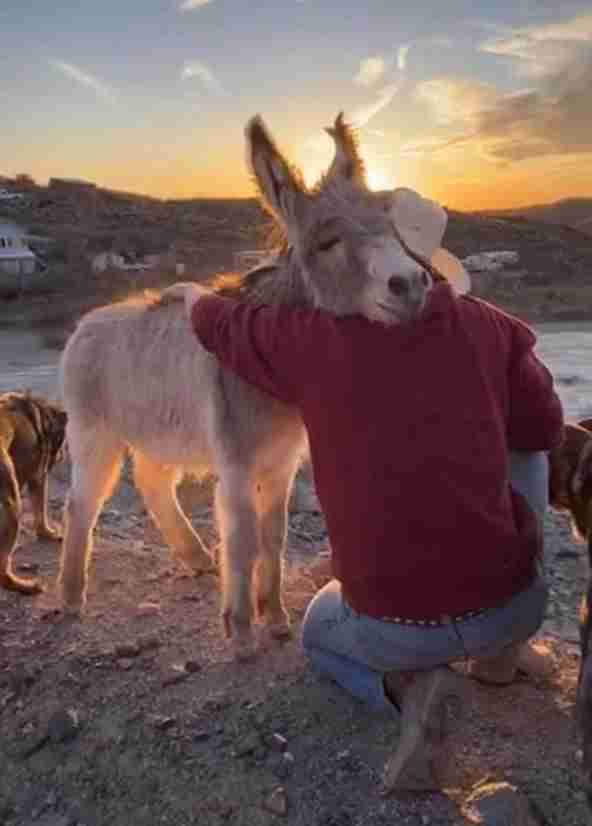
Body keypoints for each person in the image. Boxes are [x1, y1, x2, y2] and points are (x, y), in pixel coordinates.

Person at [164, 261, 563, 793]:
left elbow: (222, 324)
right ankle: (502, 651)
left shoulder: (314, 341)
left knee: (318, 628)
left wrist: (193, 296)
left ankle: (408, 690)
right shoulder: (487, 323)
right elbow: (546, 426)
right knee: (530, 450)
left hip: (399, 631)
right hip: (514, 607)